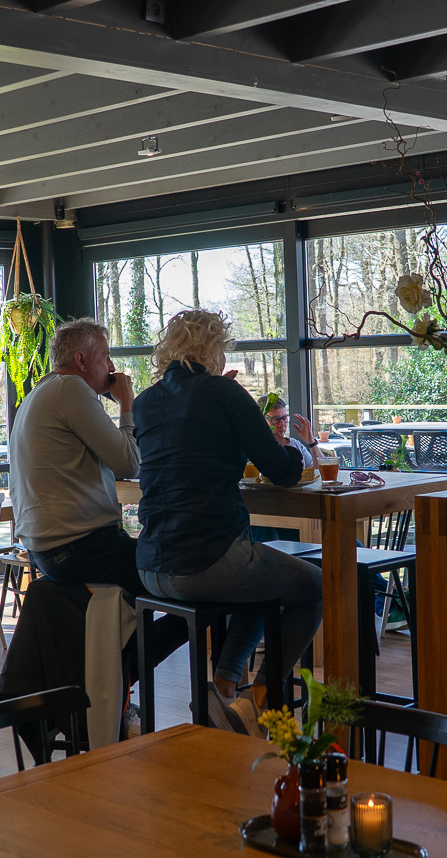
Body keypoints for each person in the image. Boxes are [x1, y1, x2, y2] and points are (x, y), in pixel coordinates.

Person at [133, 309, 322, 733]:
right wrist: (300, 447)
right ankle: (258, 700)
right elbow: (284, 471)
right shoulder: (225, 394)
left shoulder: (145, 402)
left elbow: (186, 449)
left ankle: (223, 687)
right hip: (203, 561)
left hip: (148, 564)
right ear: (214, 348)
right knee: (312, 585)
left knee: (259, 570)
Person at [9, 318, 143, 592]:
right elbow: (130, 464)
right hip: (77, 545)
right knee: (175, 569)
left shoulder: (42, 391)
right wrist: (127, 404)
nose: (112, 367)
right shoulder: (71, 388)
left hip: (45, 549)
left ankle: (124, 635)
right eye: (105, 356)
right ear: (81, 360)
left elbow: (113, 462)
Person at [259, 393, 318, 466]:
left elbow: (321, 471)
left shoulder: (295, 445)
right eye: (275, 419)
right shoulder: (254, 449)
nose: (282, 424)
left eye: (284, 418)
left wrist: (311, 442)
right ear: (261, 421)